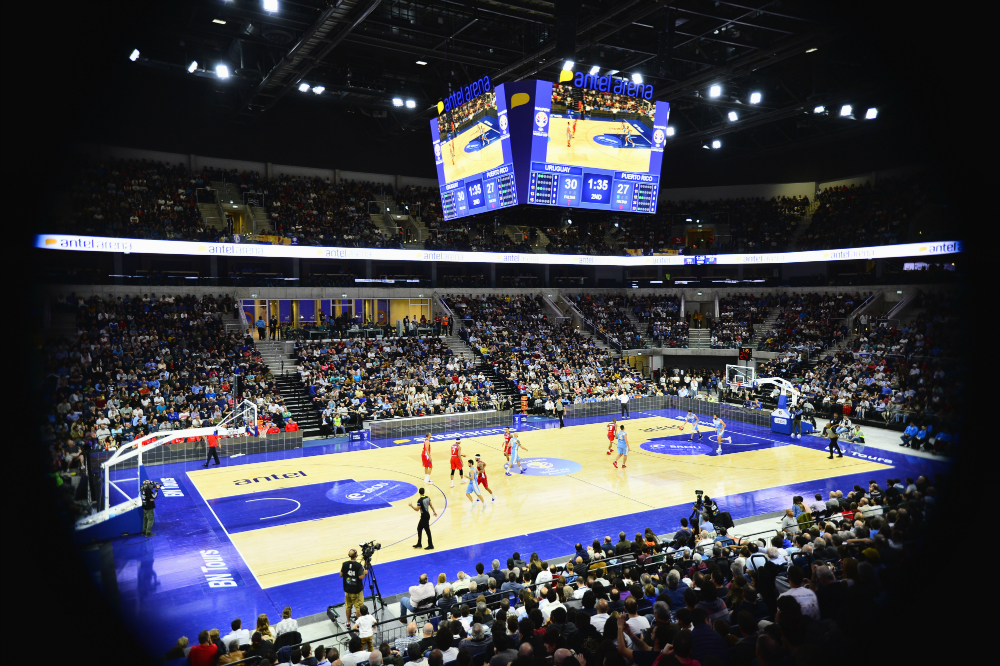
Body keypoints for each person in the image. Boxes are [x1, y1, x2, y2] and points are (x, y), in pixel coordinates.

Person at [340, 549, 367, 625]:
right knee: (358, 608)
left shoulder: (344, 564)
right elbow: (361, 577)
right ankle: (358, 624)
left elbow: (341, 575)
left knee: (348, 606)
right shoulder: (358, 565)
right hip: (356, 591)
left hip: (347, 590)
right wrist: (365, 573)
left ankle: (348, 622)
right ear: (356, 555)